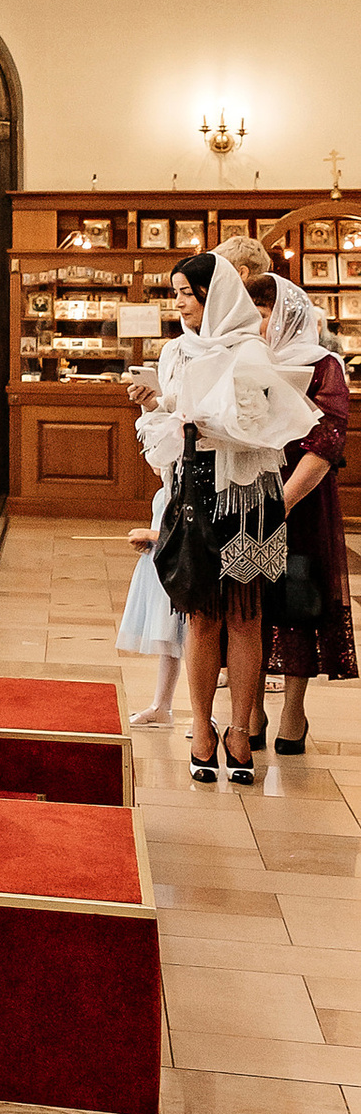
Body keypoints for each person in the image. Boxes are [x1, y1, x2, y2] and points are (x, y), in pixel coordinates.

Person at [153, 253, 315, 786]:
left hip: (251, 495)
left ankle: (240, 729)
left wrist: (205, 423)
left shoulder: (252, 350)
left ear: (214, 296)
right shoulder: (174, 350)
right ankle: (201, 727)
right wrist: (161, 407)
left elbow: (270, 430)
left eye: (186, 293)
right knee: (201, 615)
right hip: (197, 491)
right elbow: (171, 434)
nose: (177, 302)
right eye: (174, 292)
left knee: (246, 616)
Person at [251, 272, 351, 754]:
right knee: (249, 599)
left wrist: (283, 504)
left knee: (297, 597)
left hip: (302, 500)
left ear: (286, 314)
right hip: (249, 494)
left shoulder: (322, 364)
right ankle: (250, 707)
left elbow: (327, 440)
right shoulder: (244, 360)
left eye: (264, 315)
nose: (257, 325)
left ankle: (294, 710)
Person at [116, 307, 189, 729]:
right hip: (172, 496)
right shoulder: (176, 356)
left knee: (196, 614)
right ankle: (162, 703)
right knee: (169, 610)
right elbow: (162, 464)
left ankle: (211, 709)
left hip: (197, 502)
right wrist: (152, 409)